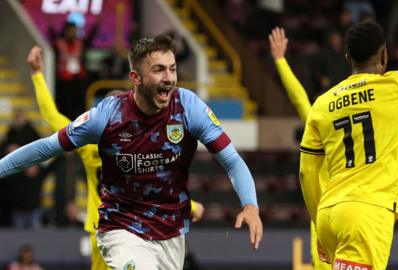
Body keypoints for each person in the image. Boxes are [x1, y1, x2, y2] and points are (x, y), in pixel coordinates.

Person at [5, 34, 262, 269]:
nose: (169, 77)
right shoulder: (107, 117)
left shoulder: (188, 107)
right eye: (159, 69)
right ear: (135, 77)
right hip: (121, 228)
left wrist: (250, 205)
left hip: (170, 232)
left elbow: (230, 160)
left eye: (172, 69)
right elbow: (46, 147)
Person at [299, 2, 398, 268]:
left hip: (329, 213)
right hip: (366, 212)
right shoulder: (395, 86)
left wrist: (318, 221)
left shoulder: (322, 104)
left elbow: (307, 173)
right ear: (384, 56)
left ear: (348, 58)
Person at [26, 46, 214, 270]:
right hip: (131, 229)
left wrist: (37, 75)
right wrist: (191, 206)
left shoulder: (87, 145)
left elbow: (51, 115)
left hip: (102, 229)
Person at [269, 27, 330, 269]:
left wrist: (280, 59)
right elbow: (299, 99)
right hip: (346, 214)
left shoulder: (322, 124)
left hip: (327, 217)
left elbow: (300, 99)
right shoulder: (334, 126)